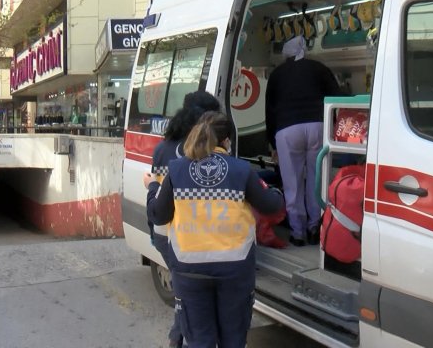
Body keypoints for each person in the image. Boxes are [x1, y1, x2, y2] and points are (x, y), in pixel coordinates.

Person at [144, 111, 284, 348]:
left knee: (200, 341)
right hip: (235, 269)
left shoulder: (176, 169)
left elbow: (158, 215)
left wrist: (152, 188)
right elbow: (272, 206)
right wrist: (275, 191)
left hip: (189, 271)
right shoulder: (241, 170)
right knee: (233, 340)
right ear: (227, 140)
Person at [150, 90, 222, 348]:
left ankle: (176, 340)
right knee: (191, 299)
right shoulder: (196, 152)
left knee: (185, 296)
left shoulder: (162, 147)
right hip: (183, 235)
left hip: (161, 232)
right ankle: (178, 339)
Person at [265, 36, 341, 246]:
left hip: (287, 129)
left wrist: (272, 142)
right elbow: (337, 96)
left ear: (286, 55)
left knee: (293, 182)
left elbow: (270, 111)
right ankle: (315, 227)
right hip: (317, 126)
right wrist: (332, 127)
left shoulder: (277, 74)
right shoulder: (319, 68)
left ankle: (298, 232)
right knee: (316, 179)